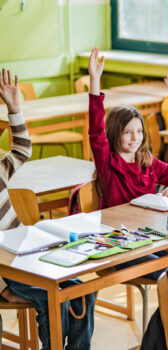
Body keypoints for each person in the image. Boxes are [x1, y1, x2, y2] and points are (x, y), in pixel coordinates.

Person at [0, 68, 96, 349]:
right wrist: (4, 290)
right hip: (9, 270)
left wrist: (14, 109)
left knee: (82, 292)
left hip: (30, 253)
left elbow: (22, 150)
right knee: (51, 297)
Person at [88, 47, 168, 209]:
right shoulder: (107, 162)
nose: (135, 138)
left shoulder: (148, 163)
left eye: (139, 132)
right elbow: (96, 130)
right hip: (116, 230)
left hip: (146, 229)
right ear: (115, 133)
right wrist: (94, 81)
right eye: (128, 132)